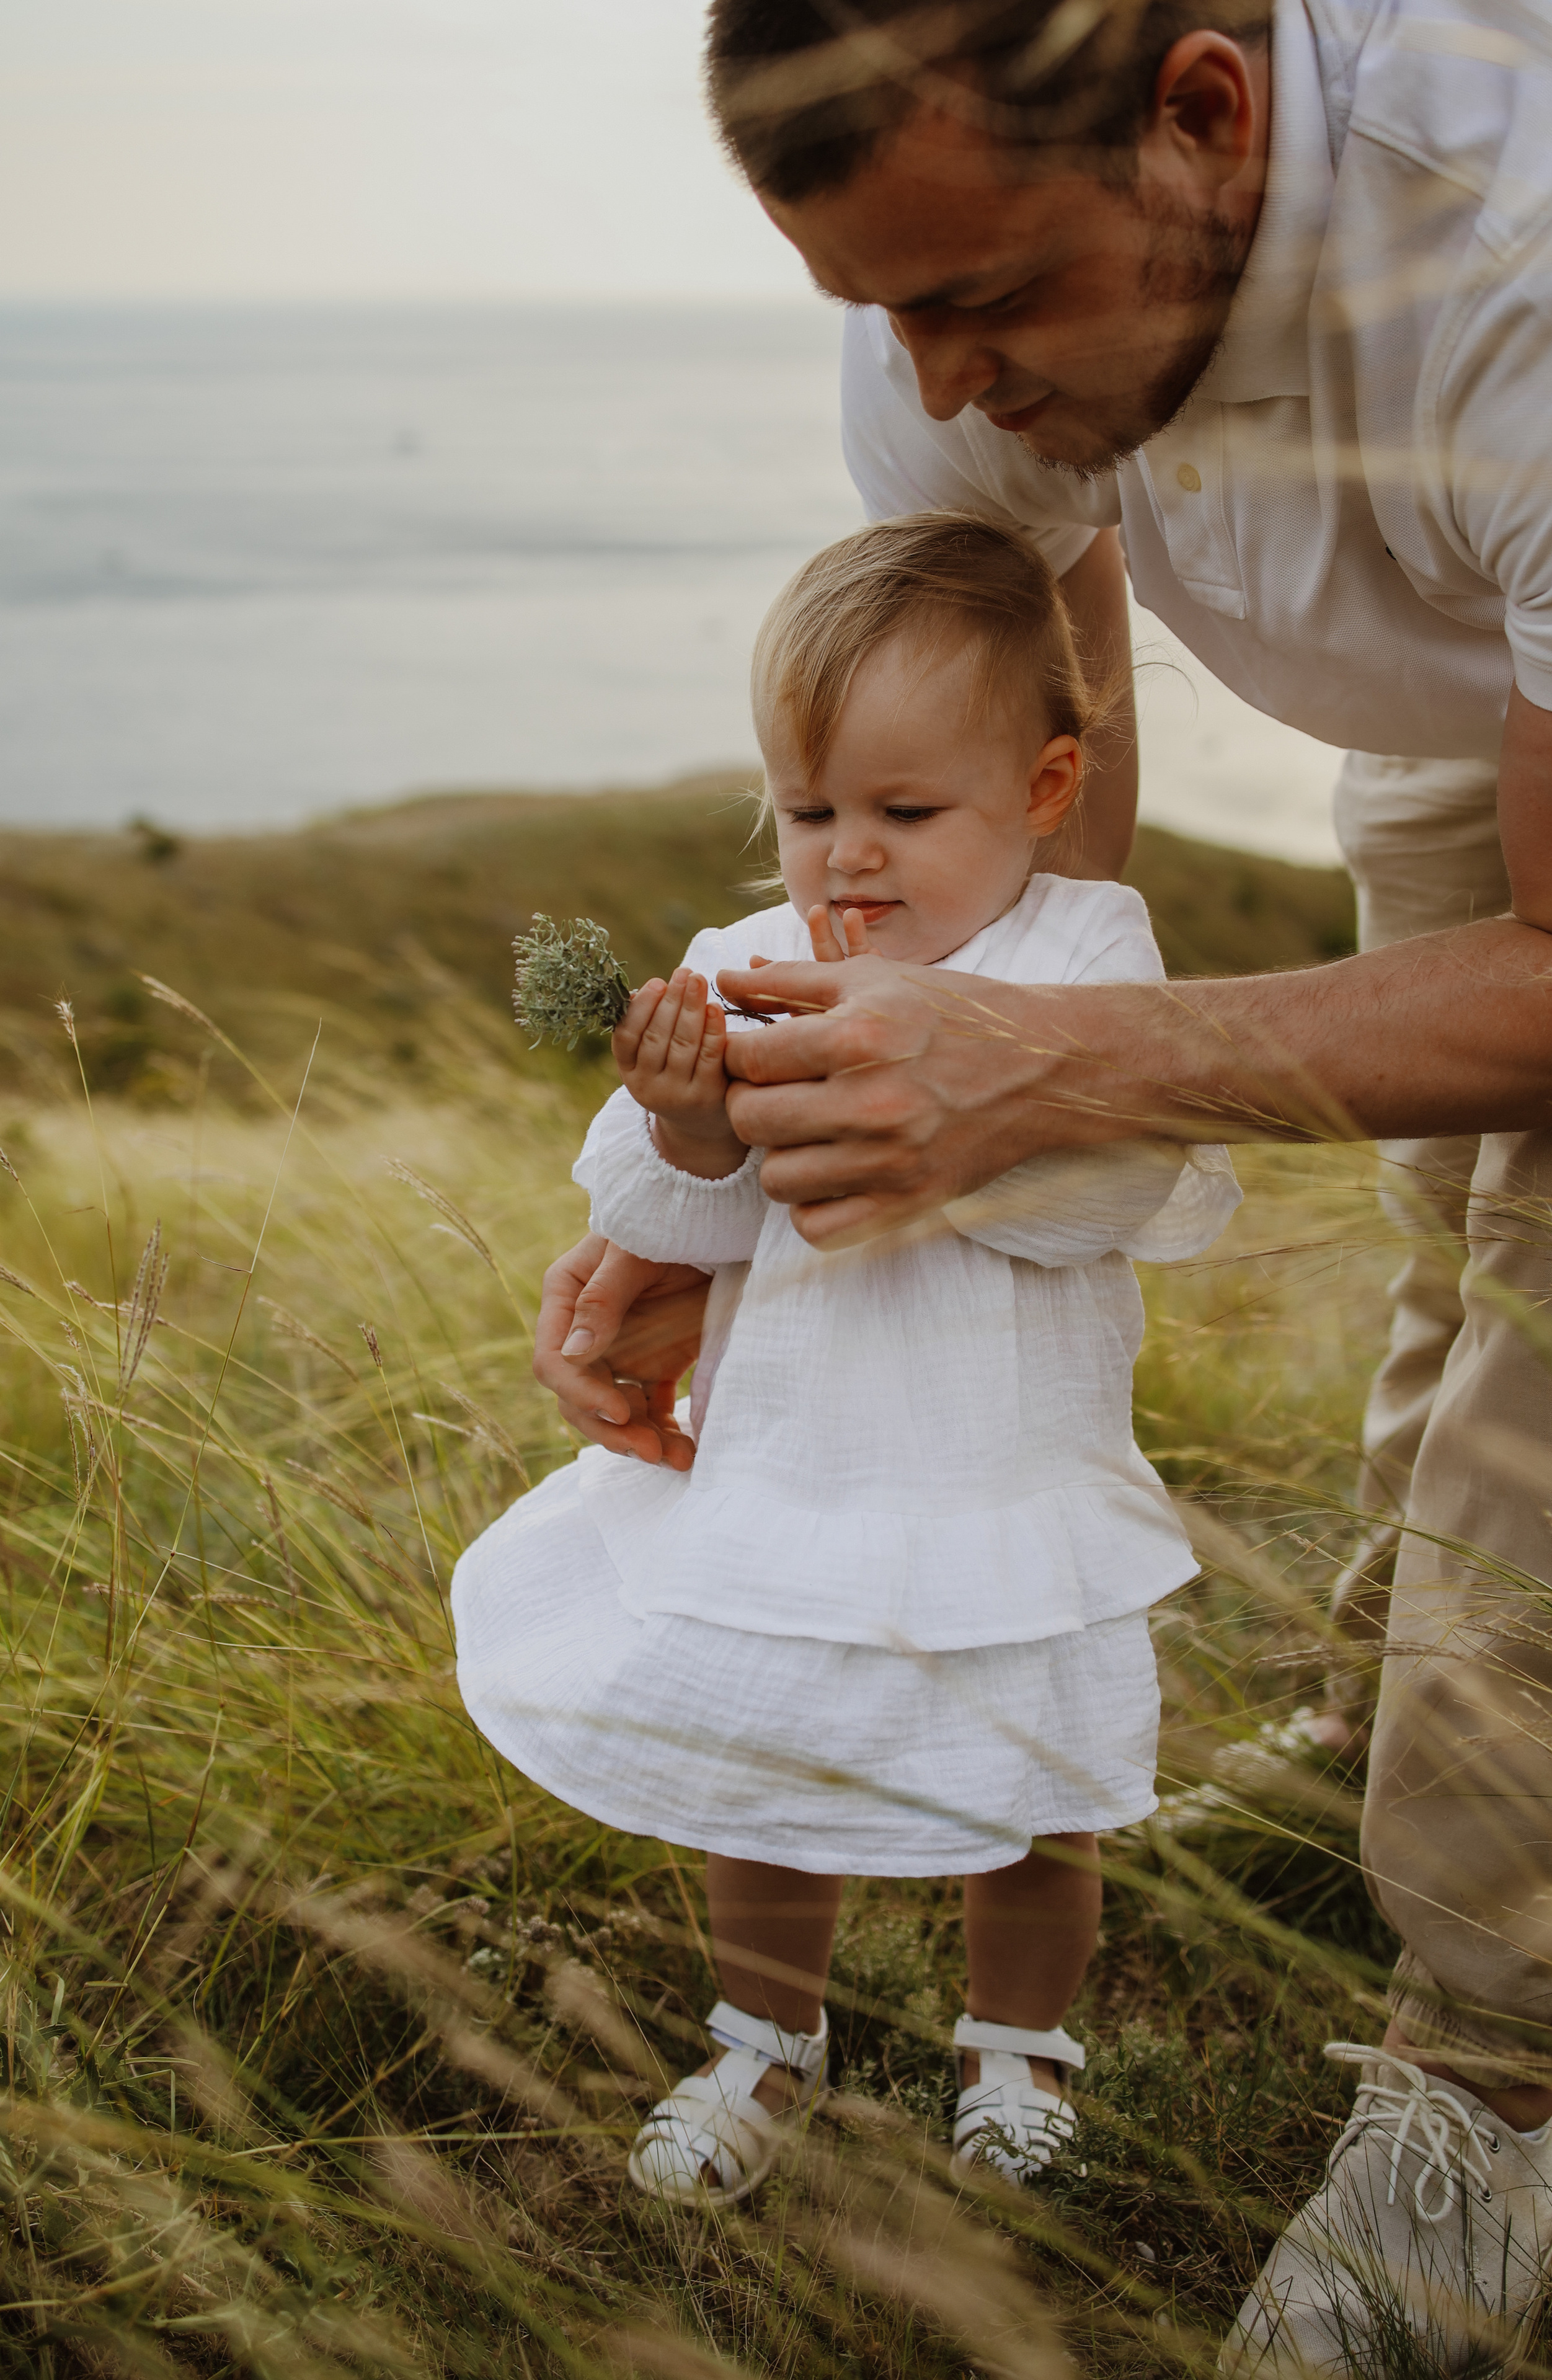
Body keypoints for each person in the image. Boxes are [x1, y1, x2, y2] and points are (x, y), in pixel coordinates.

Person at [532, 1, 1552, 2367]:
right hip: (1484, 661)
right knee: (1448, 1216)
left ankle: (1492, 2087)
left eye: (986, 298)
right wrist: (727, 1183)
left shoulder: (1548, 257)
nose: (935, 381)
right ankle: (1364, 1717)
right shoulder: (945, 309)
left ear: (1205, 116)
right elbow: (1035, 738)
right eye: (880, 311)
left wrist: (1067, 1062)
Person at [455, 513, 1240, 2206]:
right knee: (765, 1773)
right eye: (809, 813)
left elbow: (1120, 1198)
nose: (848, 860)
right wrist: (691, 1122)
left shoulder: (1083, 952)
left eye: (908, 813)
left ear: (1042, 789)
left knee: (1037, 1802)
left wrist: (946, 1134)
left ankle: (1017, 2048)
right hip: (796, 1464)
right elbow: (675, 1223)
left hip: (1007, 1473)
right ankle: (764, 2036)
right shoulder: (746, 966)